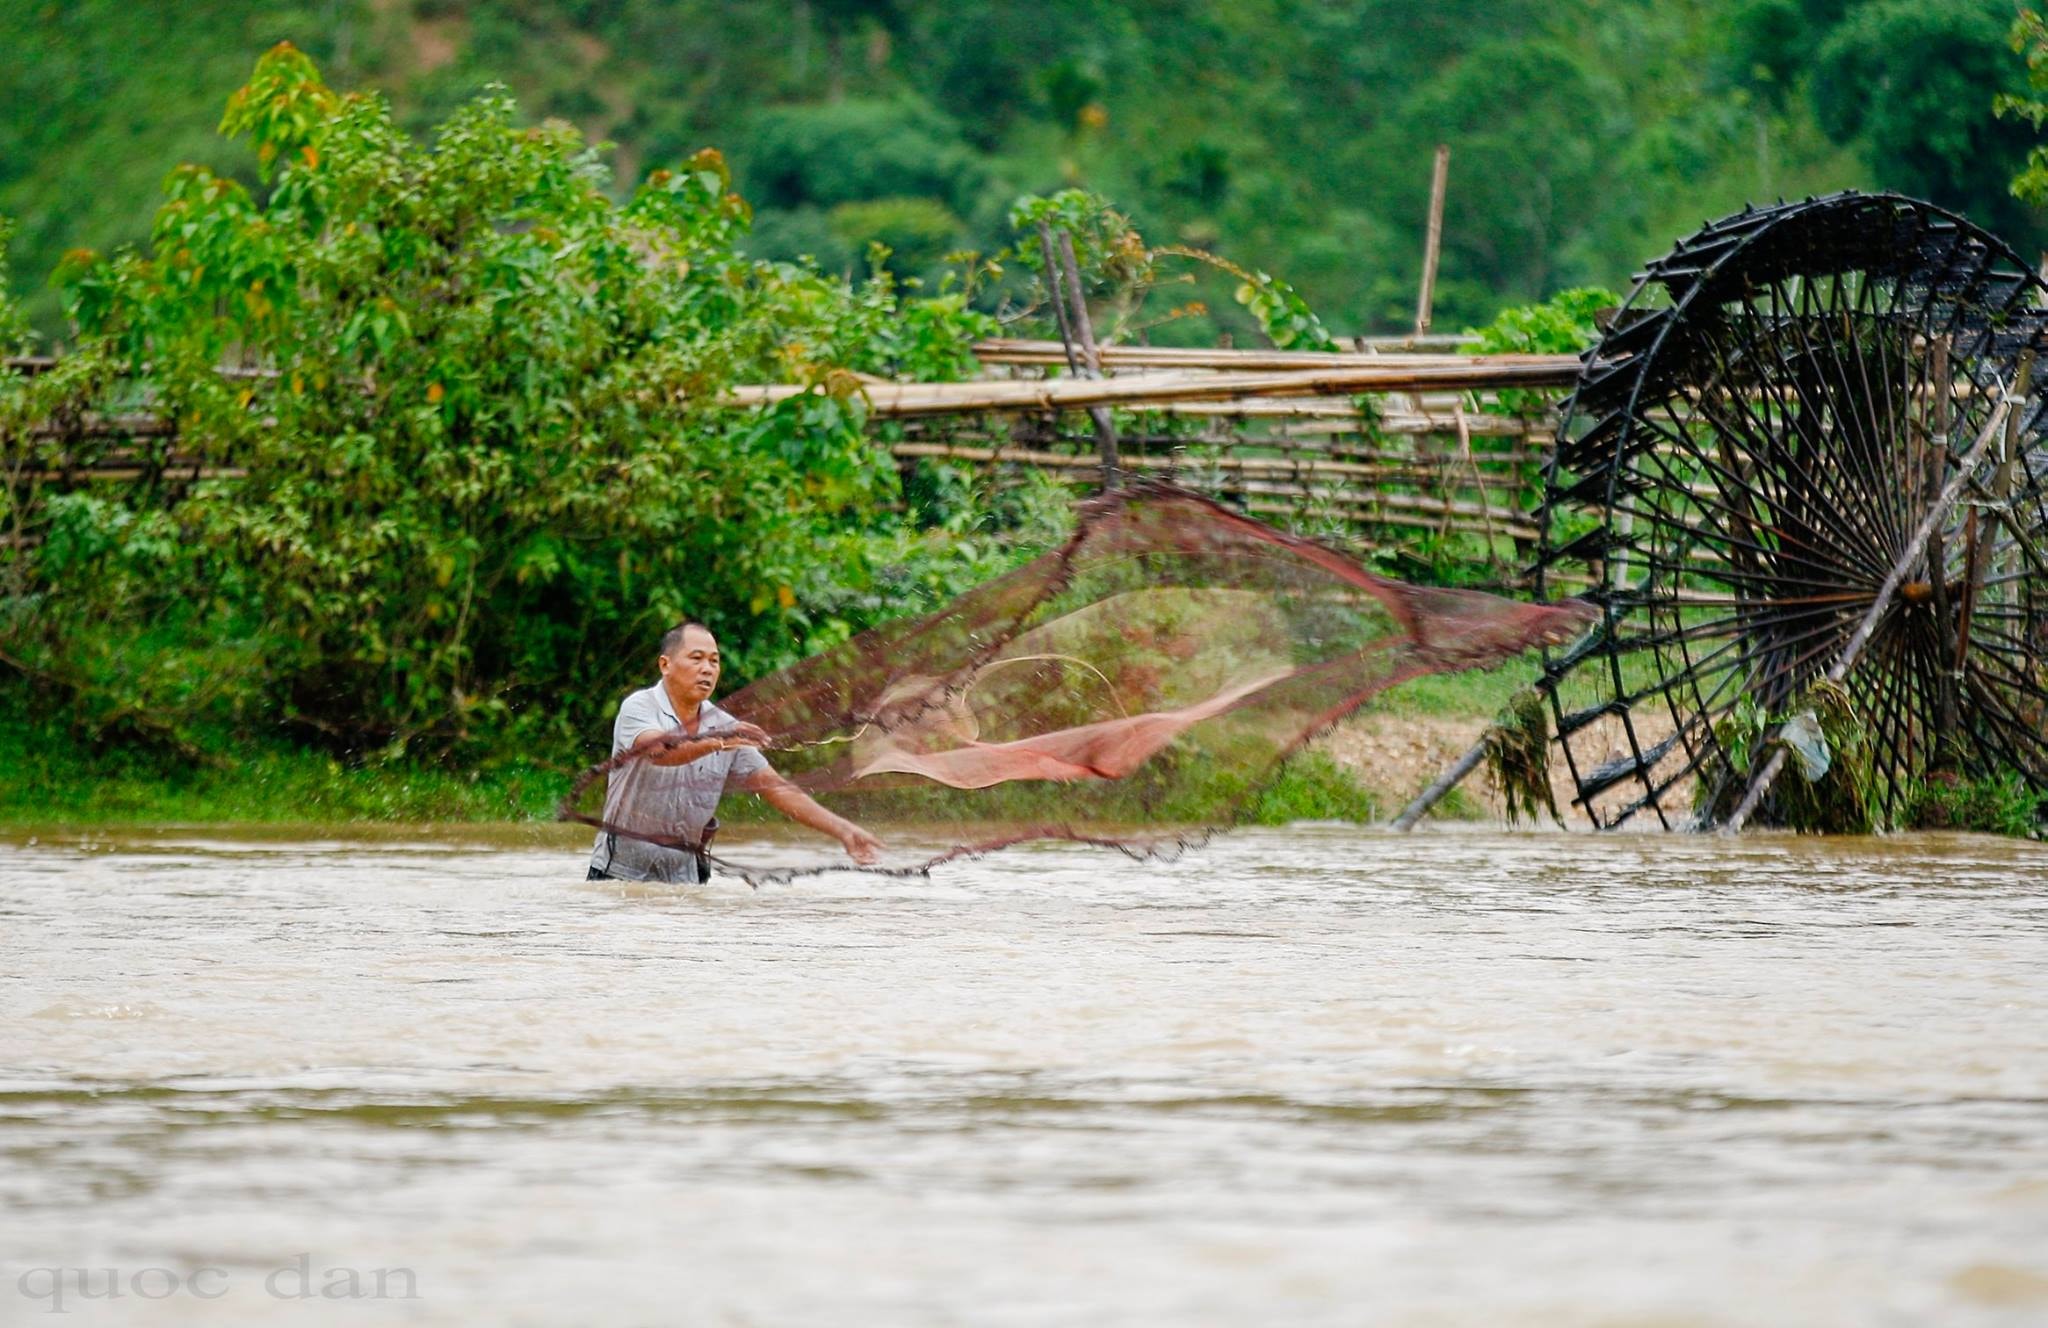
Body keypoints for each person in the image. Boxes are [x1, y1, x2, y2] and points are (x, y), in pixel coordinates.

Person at [587, 621, 884, 882]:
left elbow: (777, 788)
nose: (707, 668)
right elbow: (659, 751)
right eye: (697, 658)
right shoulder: (640, 707)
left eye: (714, 661)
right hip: (620, 873)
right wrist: (720, 741)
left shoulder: (724, 726)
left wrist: (843, 830)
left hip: (686, 878)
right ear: (666, 665)